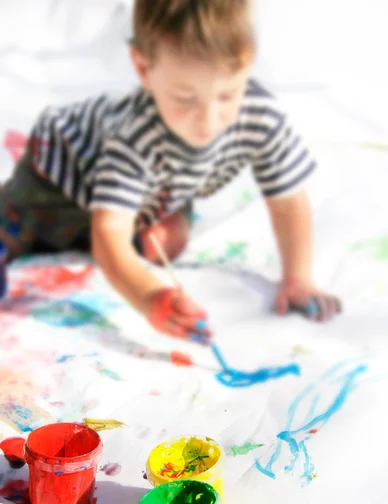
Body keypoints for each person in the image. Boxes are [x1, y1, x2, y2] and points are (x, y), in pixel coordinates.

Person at [0, 0, 341, 343]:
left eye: (227, 95)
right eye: (184, 98)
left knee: (169, 242)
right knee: (20, 228)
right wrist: (150, 296)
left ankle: (114, 233)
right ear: (143, 69)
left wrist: (298, 279)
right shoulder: (136, 133)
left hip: (149, 192)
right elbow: (109, 232)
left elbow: (288, 201)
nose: (208, 121)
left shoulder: (260, 115)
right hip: (61, 174)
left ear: (248, 59)